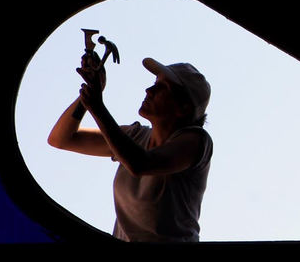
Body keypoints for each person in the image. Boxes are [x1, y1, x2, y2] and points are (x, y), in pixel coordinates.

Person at [49, 51, 213, 242]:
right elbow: (61, 139)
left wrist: (97, 106)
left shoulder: (196, 142)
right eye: (154, 84)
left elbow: (141, 164)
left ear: (184, 107)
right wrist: (89, 94)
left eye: (162, 88)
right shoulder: (134, 137)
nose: (148, 91)